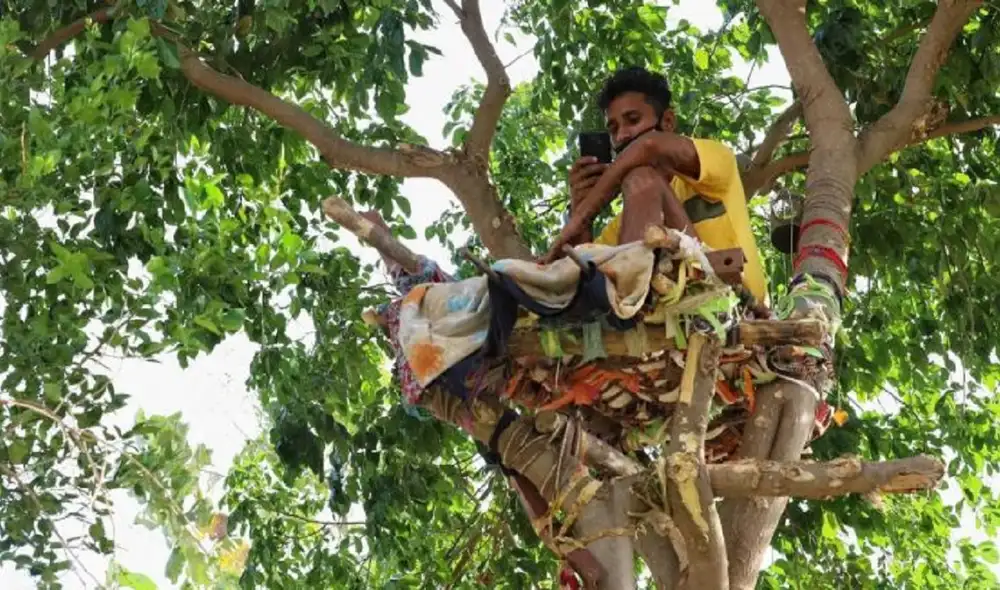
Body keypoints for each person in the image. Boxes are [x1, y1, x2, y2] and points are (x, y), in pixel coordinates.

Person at [545, 66, 769, 306]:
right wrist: (580, 210)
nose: (621, 135)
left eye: (633, 120)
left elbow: (649, 147)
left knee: (642, 178)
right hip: (660, 326)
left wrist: (582, 214)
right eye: (613, 129)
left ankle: (628, 305)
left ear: (668, 122)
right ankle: (628, 306)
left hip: (732, 306)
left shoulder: (718, 162)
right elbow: (585, 275)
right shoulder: (626, 222)